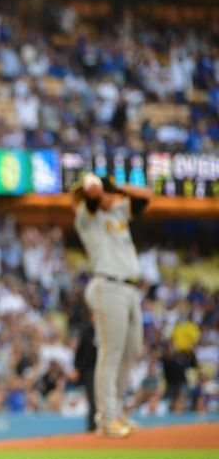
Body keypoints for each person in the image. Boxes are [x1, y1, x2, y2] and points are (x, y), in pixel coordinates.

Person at [72, 173, 152, 438]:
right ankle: (106, 417)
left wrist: (117, 188)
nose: (110, 196)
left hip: (129, 288)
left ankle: (115, 411)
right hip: (107, 285)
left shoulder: (118, 211)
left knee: (132, 350)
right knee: (111, 353)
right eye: (107, 192)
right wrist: (97, 188)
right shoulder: (87, 215)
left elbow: (148, 195)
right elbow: (92, 191)